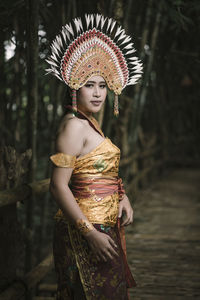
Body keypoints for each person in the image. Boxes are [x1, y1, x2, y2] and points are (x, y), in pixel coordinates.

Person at [46, 14, 142, 300]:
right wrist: (89, 234)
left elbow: (99, 170)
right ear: (75, 86)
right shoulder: (74, 126)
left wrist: (122, 196)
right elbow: (58, 185)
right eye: (90, 85)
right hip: (84, 230)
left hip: (103, 226)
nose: (99, 93)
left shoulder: (89, 123)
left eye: (102, 85)